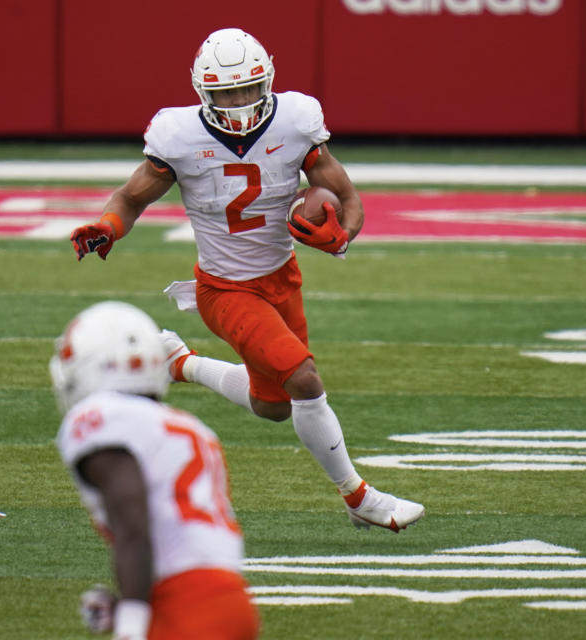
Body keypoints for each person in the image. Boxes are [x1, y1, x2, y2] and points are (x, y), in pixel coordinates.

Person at [69, 28, 423, 533]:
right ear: (203, 93)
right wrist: (107, 227)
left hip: (283, 279)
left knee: (274, 406)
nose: (237, 102)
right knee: (303, 378)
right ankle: (359, 496)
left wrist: (341, 237)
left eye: (247, 89)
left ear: (268, 82)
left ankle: (180, 362)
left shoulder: (297, 122)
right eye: (225, 92)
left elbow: (346, 197)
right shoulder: (180, 135)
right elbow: (130, 198)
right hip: (225, 289)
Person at [53, 301, 260, 640]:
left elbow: (135, 522)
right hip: (229, 599)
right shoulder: (189, 427)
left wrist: (131, 623)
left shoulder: (99, 417)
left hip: (188, 606)